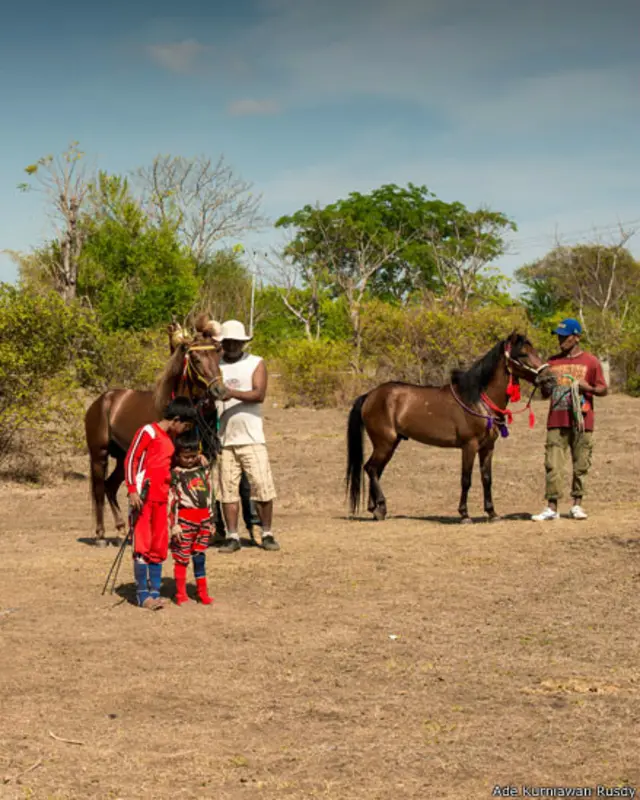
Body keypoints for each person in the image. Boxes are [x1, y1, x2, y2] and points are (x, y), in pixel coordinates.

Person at [531, 318, 608, 522]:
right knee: (553, 464)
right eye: (559, 336)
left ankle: (577, 505)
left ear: (576, 337)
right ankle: (552, 506)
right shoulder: (552, 362)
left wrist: (588, 389)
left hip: (582, 420)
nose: (560, 340)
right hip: (557, 419)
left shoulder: (591, 362)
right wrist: (543, 386)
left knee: (581, 463)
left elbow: (603, 389)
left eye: (565, 337)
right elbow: (546, 395)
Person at [125, 397, 197, 609]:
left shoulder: (169, 438)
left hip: (162, 498)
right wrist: (131, 490)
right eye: (184, 425)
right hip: (143, 498)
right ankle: (142, 595)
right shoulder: (148, 431)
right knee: (142, 543)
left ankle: (155, 591)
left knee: (158, 543)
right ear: (176, 419)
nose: (184, 430)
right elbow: (131, 459)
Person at [215, 319, 280, 553]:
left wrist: (229, 393)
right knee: (227, 490)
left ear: (243, 342)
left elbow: (259, 393)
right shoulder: (216, 364)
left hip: (251, 437)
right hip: (224, 438)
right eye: (228, 342)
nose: (232, 346)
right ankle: (232, 535)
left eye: (236, 342)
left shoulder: (255, 363)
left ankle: (267, 532)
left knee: (262, 486)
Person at [169, 431, 215, 606]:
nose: (189, 460)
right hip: (185, 521)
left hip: (203, 520)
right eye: (185, 456)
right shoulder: (176, 474)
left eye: (193, 456)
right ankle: (181, 593)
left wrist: (211, 521)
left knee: (200, 556)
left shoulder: (204, 471)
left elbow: (210, 495)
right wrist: (174, 525)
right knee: (181, 558)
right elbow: (172, 501)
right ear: (178, 456)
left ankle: (202, 592)